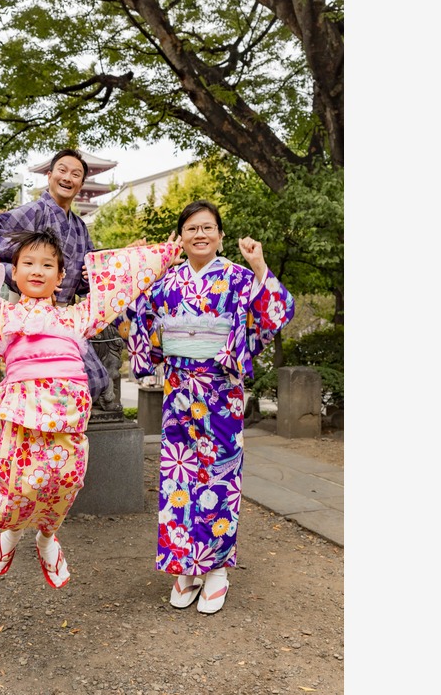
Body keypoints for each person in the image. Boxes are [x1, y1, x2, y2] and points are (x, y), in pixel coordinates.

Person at [0, 207, 180, 589]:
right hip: (22, 414)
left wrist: (157, 257)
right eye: (28, 263)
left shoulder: (77, 317)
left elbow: (118, 286)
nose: (37, 270)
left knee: (67, 480)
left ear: (60, 277)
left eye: (47, 264)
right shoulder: (1, 317)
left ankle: (46, 537)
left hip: (67, 417)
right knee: (21, 484)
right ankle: (8, 533)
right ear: (16, 271)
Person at [126, 200, 295, 614]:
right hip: (179, 391)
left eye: (208, 228)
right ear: (180, 238)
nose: (199, 235)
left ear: (220, 235)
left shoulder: (238, 278)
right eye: (191, 229)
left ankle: (216, 567)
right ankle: (185, 566)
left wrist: (259, 267)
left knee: (219, 475)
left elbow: (275, 314)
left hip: (221, 393)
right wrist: (137, 268)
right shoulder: (166, 282)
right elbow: (138, 319)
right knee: (177, 478)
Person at [0, 149, 112, 401]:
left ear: (81, 184)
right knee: (33, 379)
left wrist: (88, 275)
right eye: (62, 170)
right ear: (49, 175)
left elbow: (88, 277)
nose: (68, 178)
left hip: (65, 315)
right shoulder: (33, 211)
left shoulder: (80, 226)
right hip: (29, 312)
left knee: (94, 379)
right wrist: (22, 273)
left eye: (76, 174)